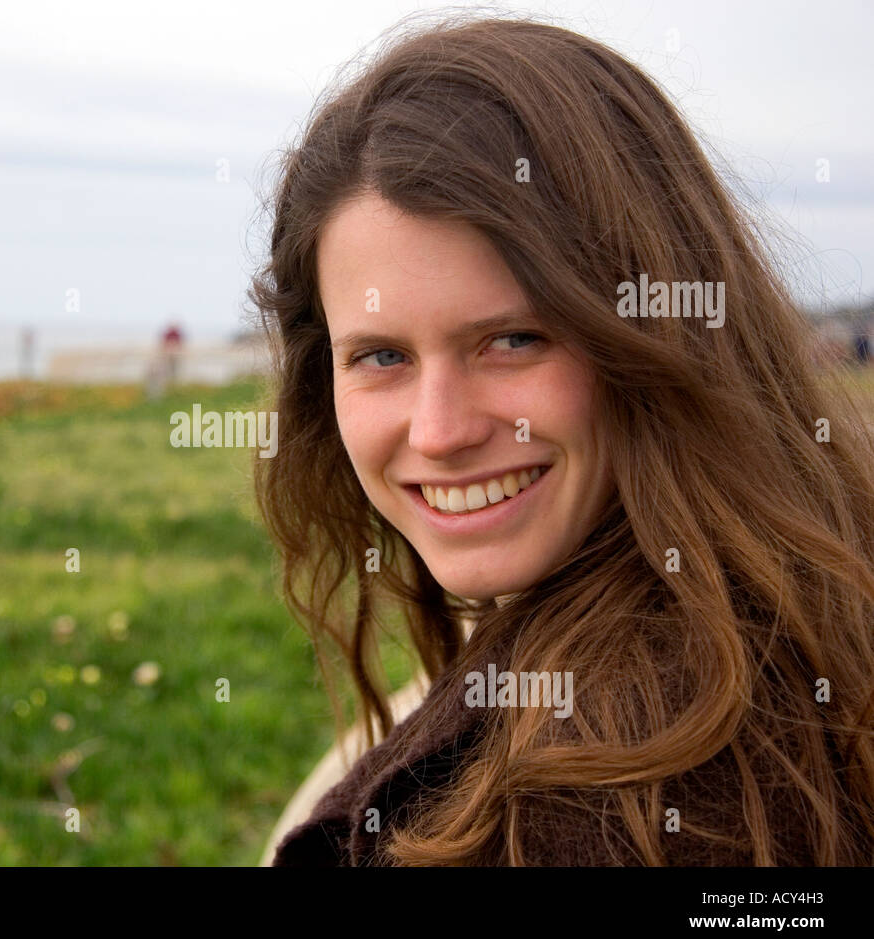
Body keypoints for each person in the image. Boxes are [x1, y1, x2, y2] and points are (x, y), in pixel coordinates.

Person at [247, 14, 874, 865]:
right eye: (382, 355)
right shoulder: (816, 585)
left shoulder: (594, 805)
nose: (439, 432)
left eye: (513, 340)